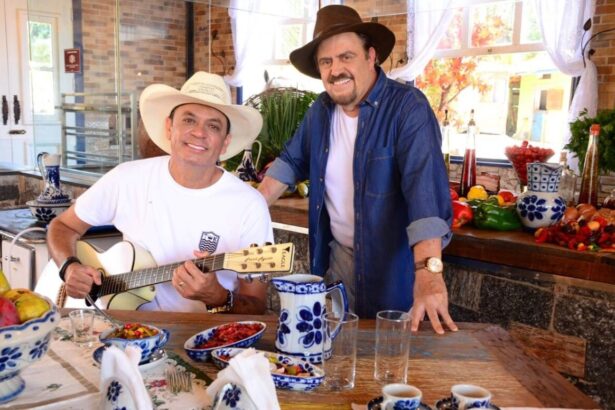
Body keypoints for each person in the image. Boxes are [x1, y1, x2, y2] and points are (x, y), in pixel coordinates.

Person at [258, 5, 457, 333]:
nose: (336, 70)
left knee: (392, 366)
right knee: (337, 357)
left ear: (371, 56)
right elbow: (291, 163)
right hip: (338, 265)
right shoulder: (320, 111)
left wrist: (430, 276)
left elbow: (426, 198)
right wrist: (245, 208)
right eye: (326, 61)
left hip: (396, 269)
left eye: (346, 56)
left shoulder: (408, 108)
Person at [47, 71, 272, 314]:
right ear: (169, 127)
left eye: (213, 125)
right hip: (129, 332)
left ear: (225, 142)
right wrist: (69, 267)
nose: (199, 132)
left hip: (207, 340)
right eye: (189, 120)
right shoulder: (127, 178)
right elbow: (62, 227)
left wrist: (219, 297)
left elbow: (256, 306)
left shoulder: (249, 205)